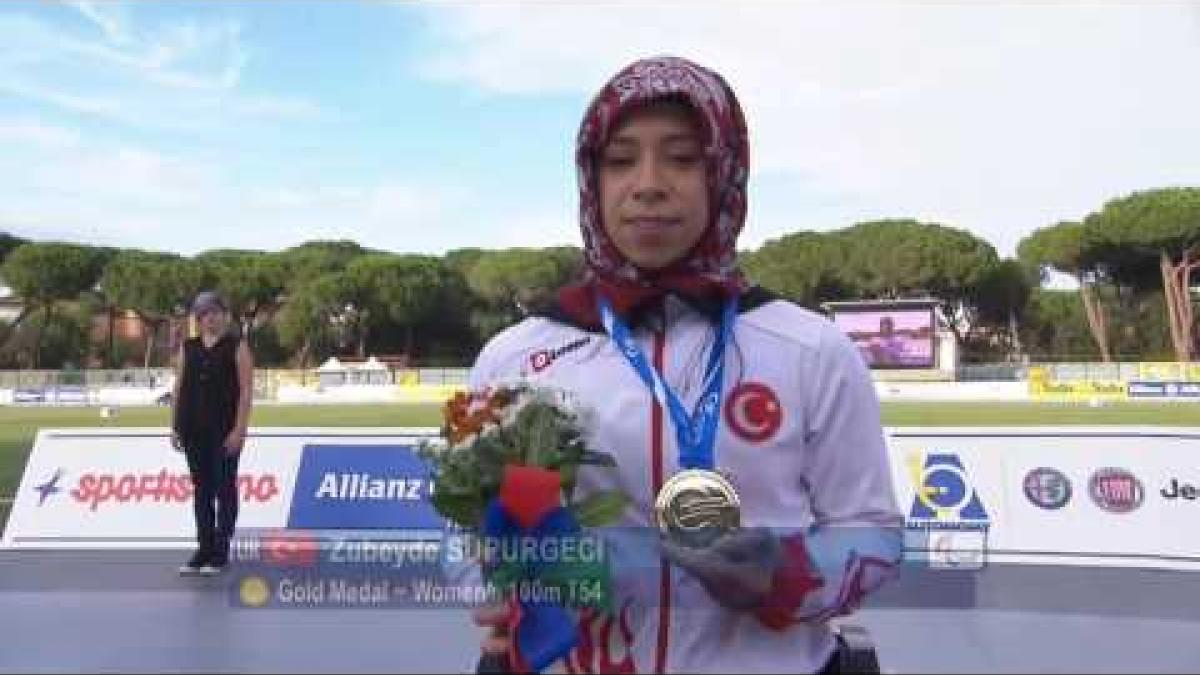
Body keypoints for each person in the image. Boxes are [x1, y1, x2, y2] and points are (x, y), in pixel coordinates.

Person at [464, 56, 903, 673]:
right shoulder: (513, 356)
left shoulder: (811, 349)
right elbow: (468, 535)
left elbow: (873, 533)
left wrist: (784, 576)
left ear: (725, 173)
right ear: (591, 179)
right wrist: (497, 591)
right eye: (620, 161)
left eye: (681, 157)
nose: (647, 184)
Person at [171, 290, 254, 576]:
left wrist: (239, 430)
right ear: (198, 318)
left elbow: (245, 391)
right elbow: (179, 387)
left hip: (225, 430)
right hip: (193, 429)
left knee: (225, 488)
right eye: (204, 314)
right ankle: (203, 547)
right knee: (201, 490)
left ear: (225, 316)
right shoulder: (188, 347)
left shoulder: (237, 347)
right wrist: (175, 426)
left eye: (215, 313)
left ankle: (221, 548)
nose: (210, 319)